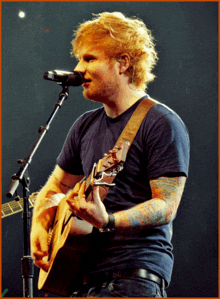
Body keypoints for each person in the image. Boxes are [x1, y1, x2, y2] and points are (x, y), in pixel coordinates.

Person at [31, 11, 190, 297]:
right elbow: (56, 186)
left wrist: (109, 221)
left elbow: (166, 205)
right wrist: (41, 224)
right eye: (79, 59)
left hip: (130, 278)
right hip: (79, 279)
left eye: (90, 59)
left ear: (123, 62)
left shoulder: (160, 122)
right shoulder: (84, 125)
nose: (78, 69)